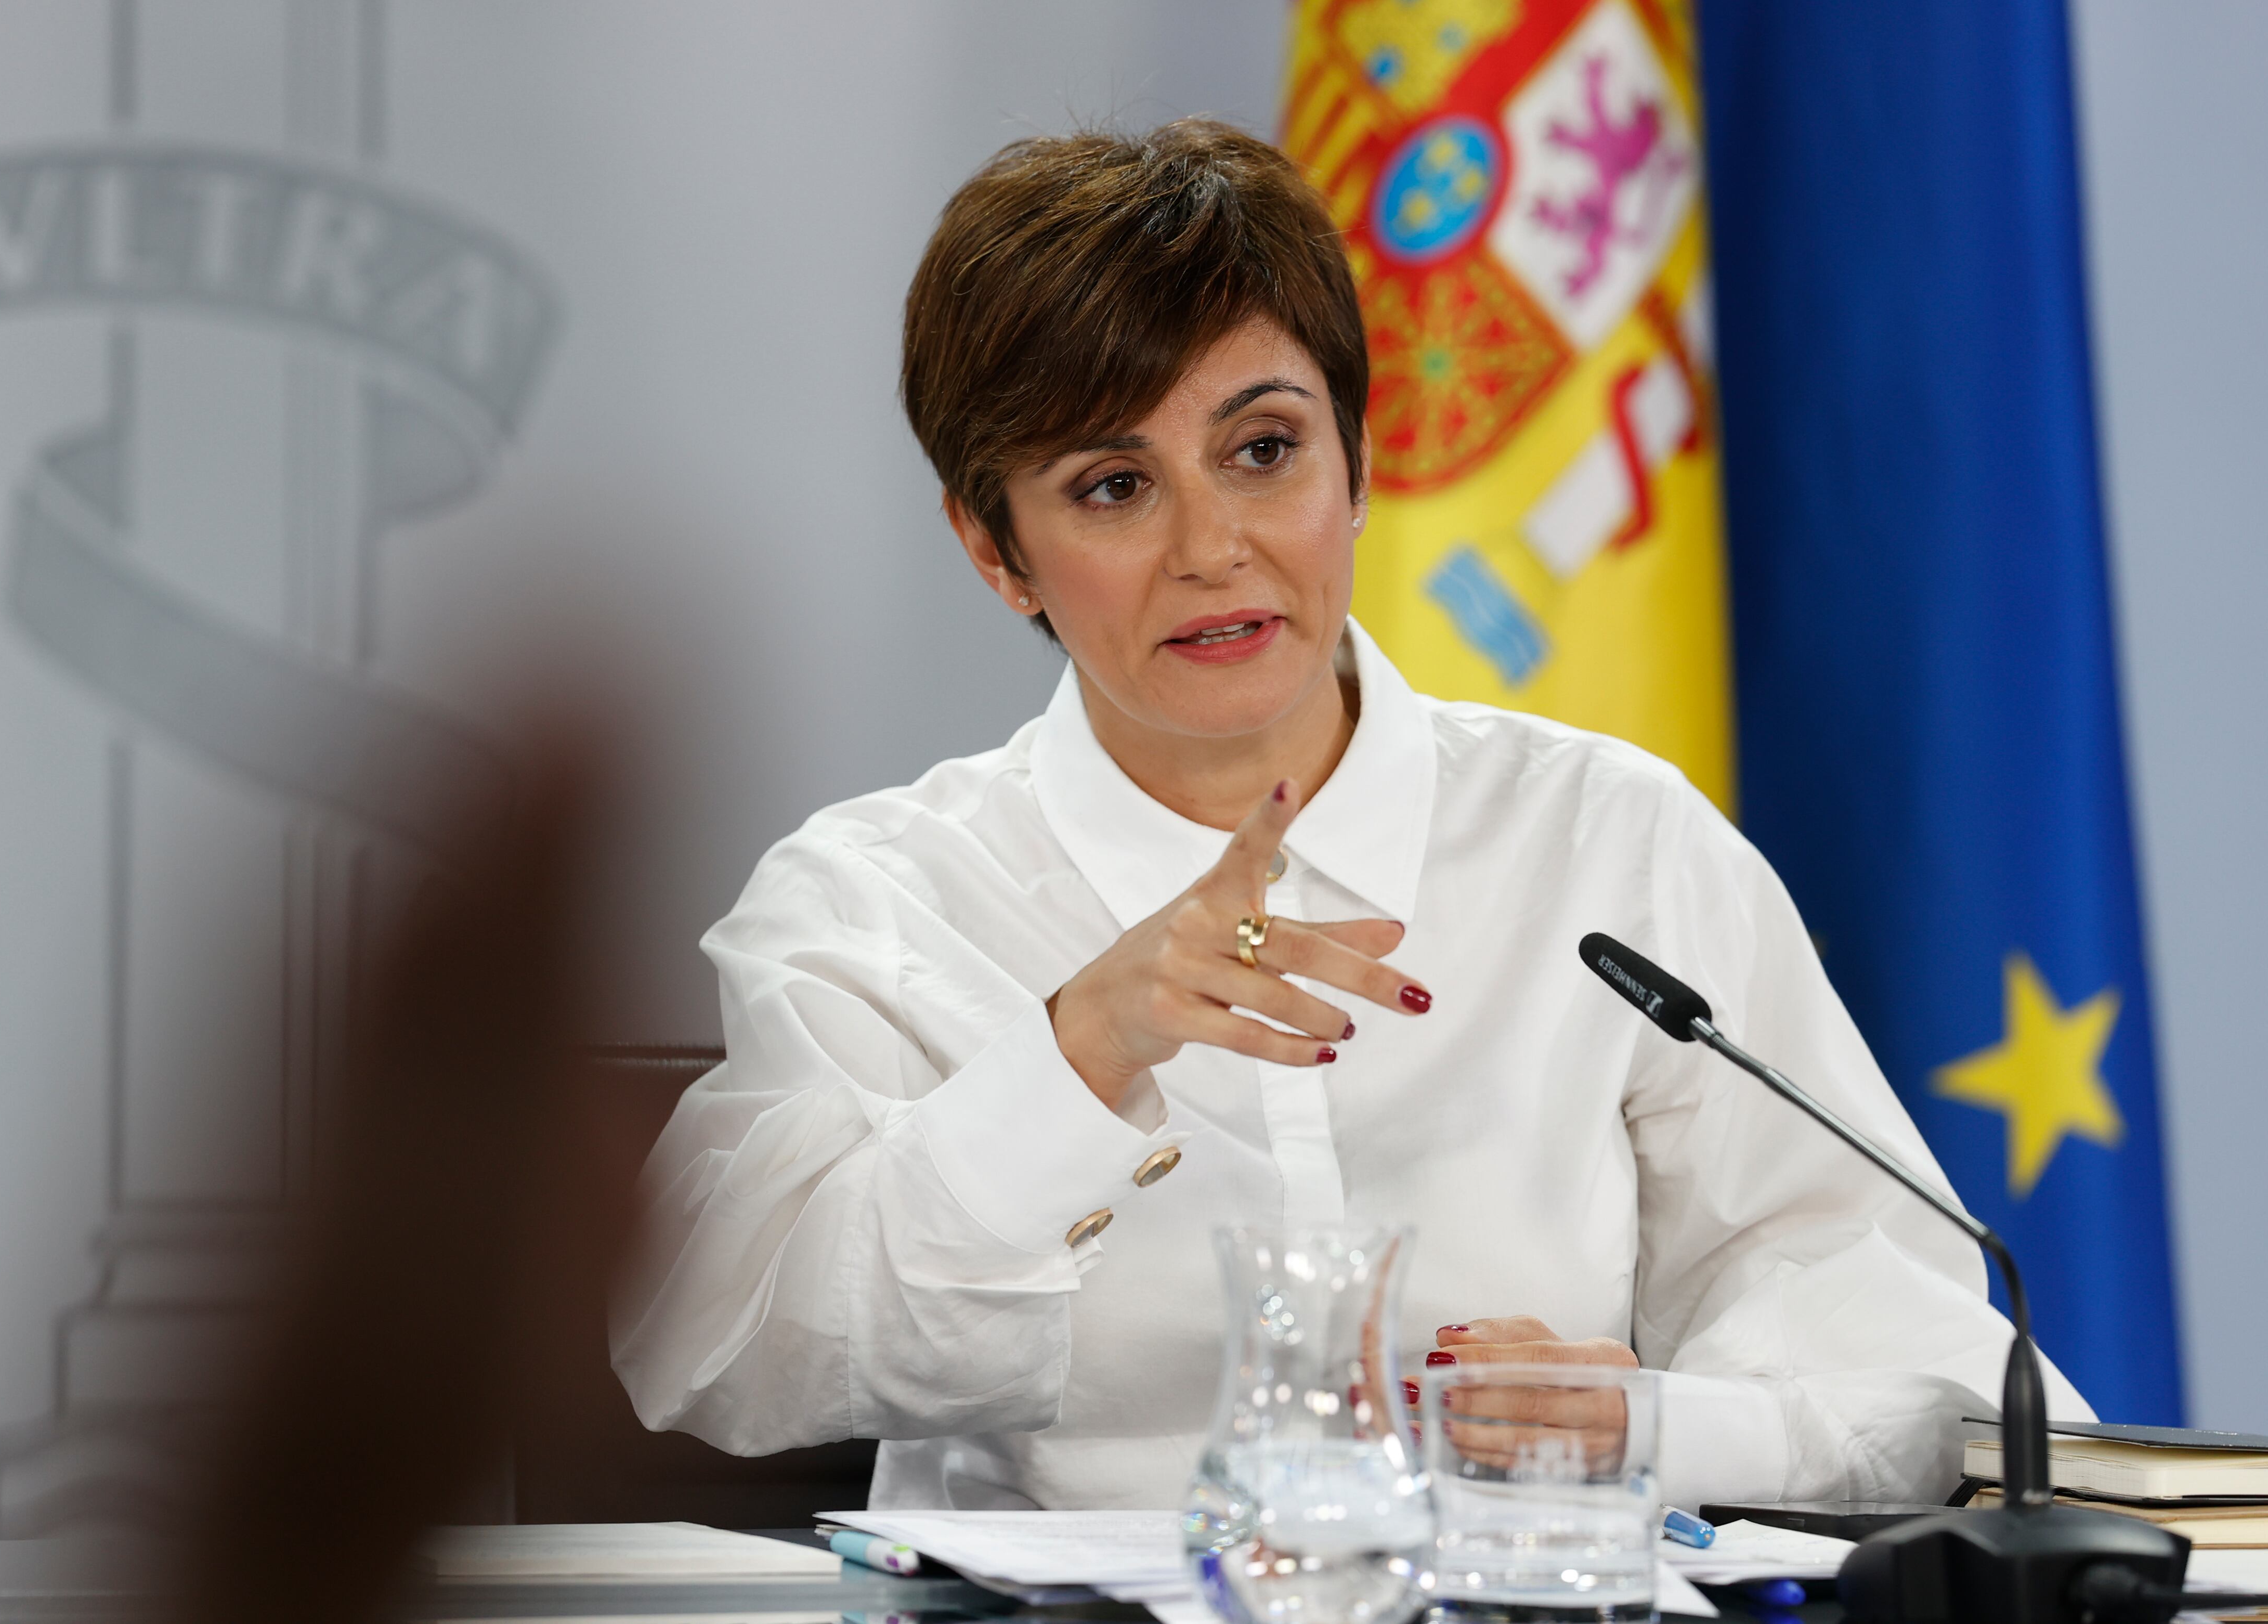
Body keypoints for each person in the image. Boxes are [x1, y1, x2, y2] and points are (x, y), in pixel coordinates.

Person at [610, 119, 2085, 1513]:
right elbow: (713, 1349)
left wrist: (1656, 1427)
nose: (1215, 547)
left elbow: (1951, 1380)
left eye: (1265, 450)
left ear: (1362, 463)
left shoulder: (1608, 844)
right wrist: (1079, 1052)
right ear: (998, 551)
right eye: (1115, 485)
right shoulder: (882, 898)